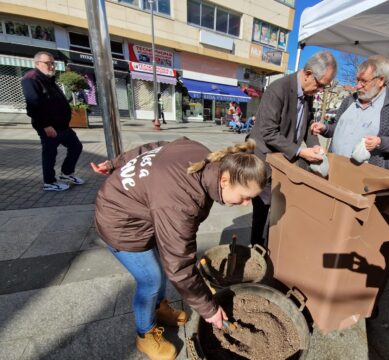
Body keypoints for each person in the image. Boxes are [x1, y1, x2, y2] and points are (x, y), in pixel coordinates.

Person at [90, 137, 267, 360]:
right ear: (224, 180)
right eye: (245, 197)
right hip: (120, 221)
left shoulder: (200, 152)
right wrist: (210, 310)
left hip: (140, 206)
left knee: (160, 267)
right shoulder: (182, 201)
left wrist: (117, 163)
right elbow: (179, 265)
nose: (246, 204)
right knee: (151, 278)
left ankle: (158, 308)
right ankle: (144, 334)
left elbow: (154, 146)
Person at [247, 50, 337, 246]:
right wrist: (300, 151)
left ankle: (274, 247)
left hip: (285, 160)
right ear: (307, 74)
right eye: (320, 84)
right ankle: (255, 248)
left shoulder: (308, 93)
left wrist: (315, 148)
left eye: (324, 86)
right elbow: (268, 132)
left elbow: (308, 125)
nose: (320, 90)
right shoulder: (277, 89)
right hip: (265, 161)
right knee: (261, 210)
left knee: (279, 210)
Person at [311, 55, 389, 169]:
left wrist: (380, 142)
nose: (357, 86)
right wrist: (325, 128)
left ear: (381, 80)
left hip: (366, 177)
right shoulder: (349, 100)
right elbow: (337, 128)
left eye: (364, 81)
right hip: (334, 166)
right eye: (357, 79)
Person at [22, 51, 84, 191]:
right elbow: (33, 104)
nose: (51, 66)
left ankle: (67, 173)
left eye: (53, 63)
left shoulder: (49, 79)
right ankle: (49, 182)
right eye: (48, 63)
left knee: (76, 146)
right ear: (37, 64)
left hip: (62, 126)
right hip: (49, 126)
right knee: (50, 154)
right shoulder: (31, 79)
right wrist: (45, 125)